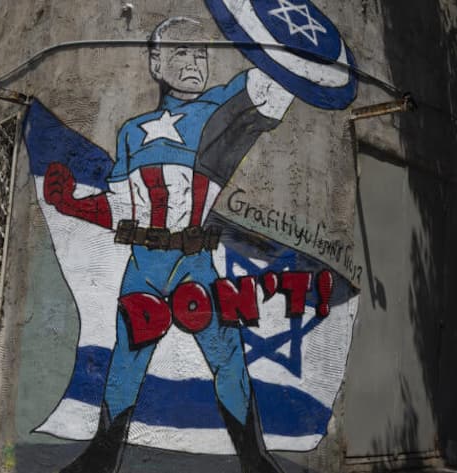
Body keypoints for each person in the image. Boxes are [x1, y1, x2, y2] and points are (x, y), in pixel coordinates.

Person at [41, 17, 311, 473]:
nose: (194, 61)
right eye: (182, 51)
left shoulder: (220, 108)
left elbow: (272, 89)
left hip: (195, 265)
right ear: (156, 62)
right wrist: (70, 203)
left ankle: (253, 459)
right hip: (143, 264)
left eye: (201, 52)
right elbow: (123, 206)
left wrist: (293, 44)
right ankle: (102, 458)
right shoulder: (131, 132)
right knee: (126, 361)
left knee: (227, 359)